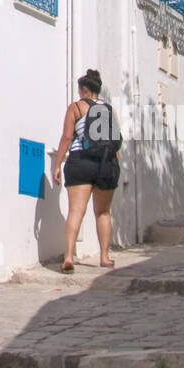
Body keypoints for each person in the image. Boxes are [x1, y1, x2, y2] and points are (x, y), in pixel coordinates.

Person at [52, 68, 120, 272]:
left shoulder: (76, 108)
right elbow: (115, 142)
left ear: (83, 89)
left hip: (81, 162)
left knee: (76, 211)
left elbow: (66, 137)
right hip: (106, 165)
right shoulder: (109, 110)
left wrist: (57, 163)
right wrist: (115, 167)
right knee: (103, 212)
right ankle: (105, 257)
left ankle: (69, 256)